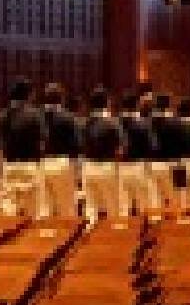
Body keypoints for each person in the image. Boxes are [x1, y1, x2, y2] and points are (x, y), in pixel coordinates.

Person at [0, 80, 47, 219]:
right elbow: (42, 144)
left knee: (10, 214)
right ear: (29, 95)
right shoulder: (35, 115)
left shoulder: (3, 116)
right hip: (29, 166)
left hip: (9, 166)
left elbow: (0, 144)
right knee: (33, 214)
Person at [82, 87, 124, 220]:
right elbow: (120, 150)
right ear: (107, 102)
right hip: (107, 167)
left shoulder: (84, 123)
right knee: (113, 208)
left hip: (88, 167)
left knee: (90, 209)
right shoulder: (112, 122)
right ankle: (113, 238)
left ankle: (90, 239)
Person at [40, 83, 81, 218]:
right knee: (67, 208)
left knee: (46, 209)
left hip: (42, 163)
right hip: (62, 163)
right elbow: (76, 145)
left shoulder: (37, 116)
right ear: (62, 99)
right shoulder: (68, 117)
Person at [118, 89, 157, 215]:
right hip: (139, 166)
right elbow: (152, 146)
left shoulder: (114, 122)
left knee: (123, 208)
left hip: (119, 167)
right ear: (136, 105)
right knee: (143, 206)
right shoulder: (143, 124)